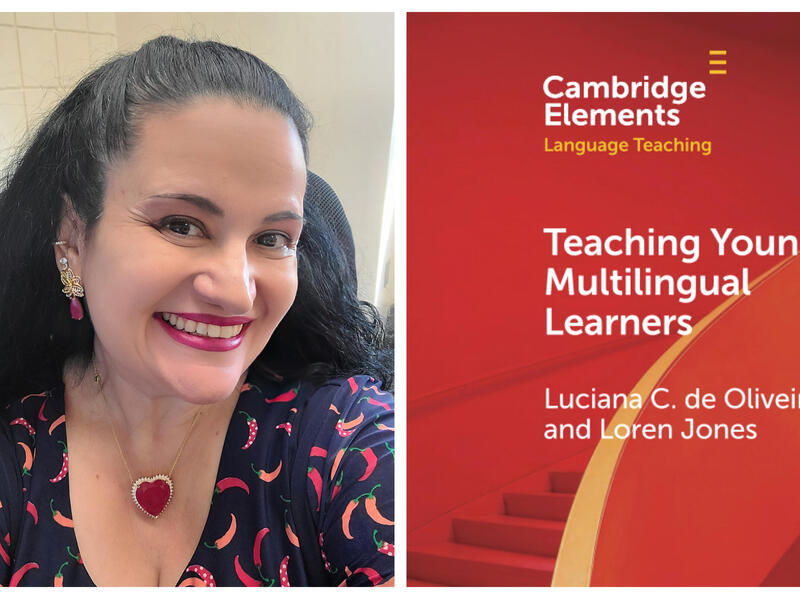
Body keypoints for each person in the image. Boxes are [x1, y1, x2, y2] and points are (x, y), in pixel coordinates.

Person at [0, 36, 394, 587]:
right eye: (181, 225)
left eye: (274, 237)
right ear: (72, 236)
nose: (237, 293)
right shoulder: (16, 451)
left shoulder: (343, 441)